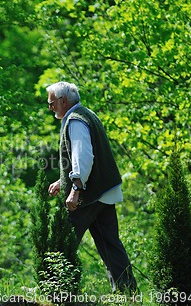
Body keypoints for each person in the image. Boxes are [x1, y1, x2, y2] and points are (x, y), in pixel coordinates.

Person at [46, 81, 137, 293]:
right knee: (110, 246)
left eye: (51, 104)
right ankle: (128, 294)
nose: (49, 108)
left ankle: (57, 291)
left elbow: (83, 158)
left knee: (62, 242)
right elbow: (85, 159)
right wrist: (63, 181)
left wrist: (75, 190)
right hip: (103, 191)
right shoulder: (87, 114)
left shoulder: (75, 121)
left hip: (88, 194)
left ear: (63, 101)